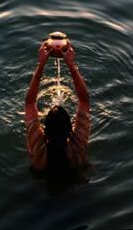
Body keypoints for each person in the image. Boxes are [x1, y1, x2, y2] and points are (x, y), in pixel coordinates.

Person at [24, 41, 91, 177]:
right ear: (70, 130)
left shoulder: (39, 151)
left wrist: (41, 64)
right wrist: (71, 66)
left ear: (44, 131)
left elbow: (30, 102)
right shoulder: (77, 147)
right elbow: (84, 99)